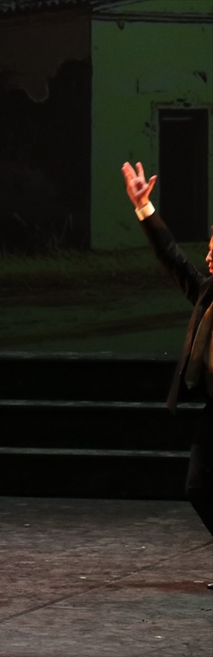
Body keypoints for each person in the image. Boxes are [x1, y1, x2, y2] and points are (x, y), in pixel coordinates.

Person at [122, 161, 213, 552]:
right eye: (209, 249)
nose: (209, 257)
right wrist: (144, 206)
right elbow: (174, 257)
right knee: (198, 487)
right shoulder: (208, 292)